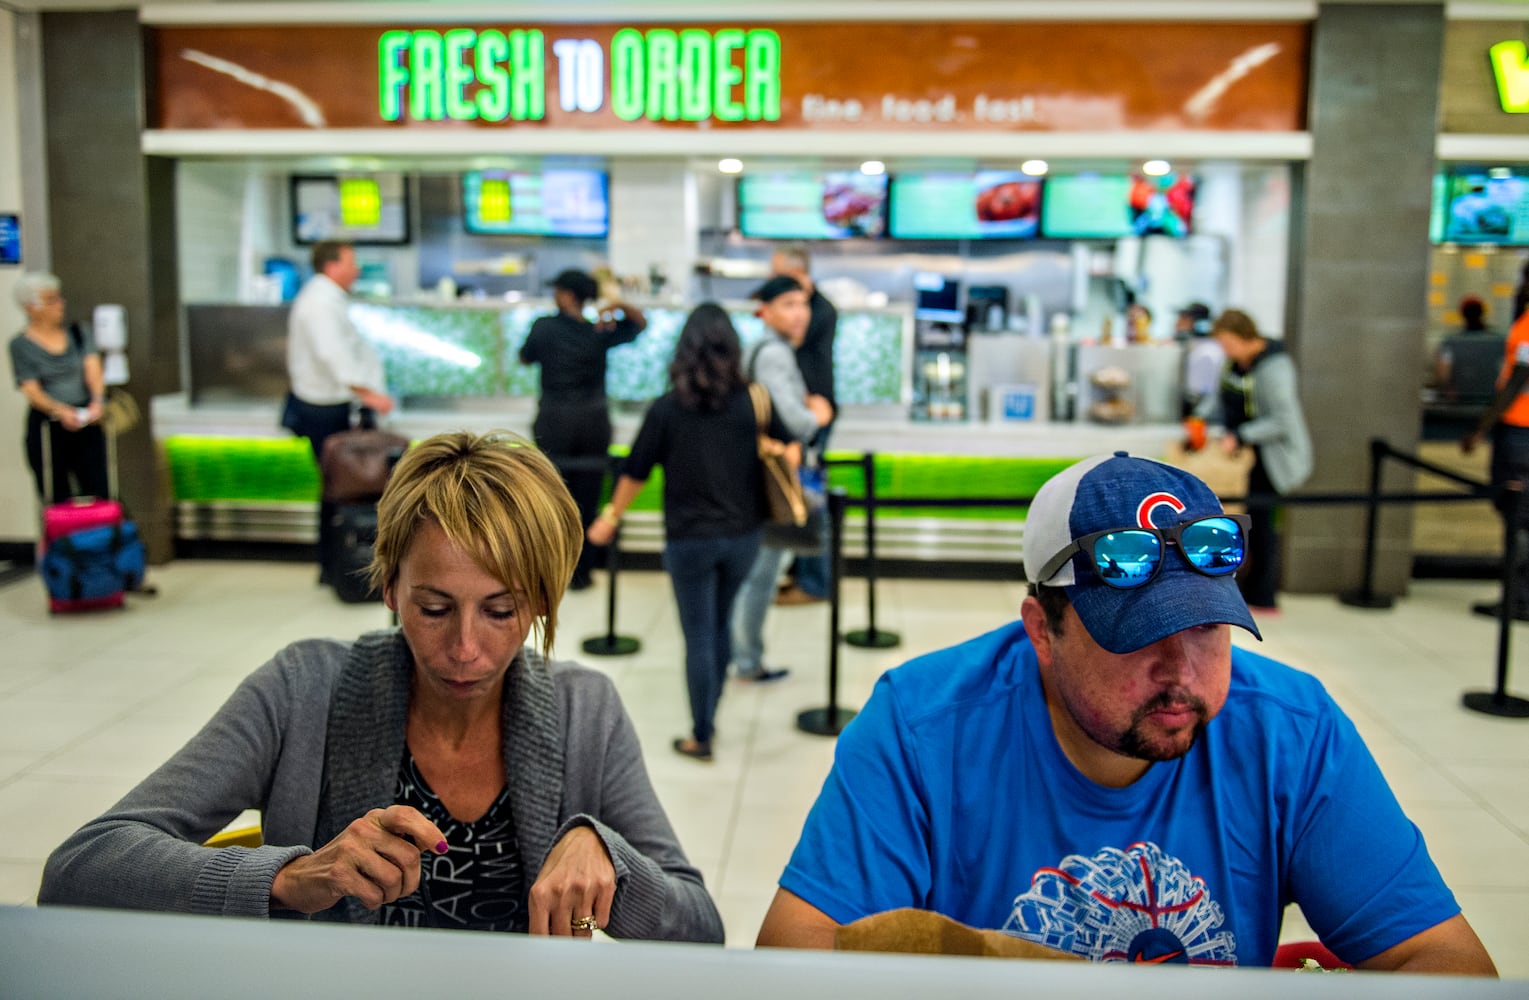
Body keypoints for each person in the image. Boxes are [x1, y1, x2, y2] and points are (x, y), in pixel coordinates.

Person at [756, 452, 1497, 975]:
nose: (1182, 674)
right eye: (1136, 635)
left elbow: (1438, 957)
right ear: (1040, 629)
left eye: (1206, 629)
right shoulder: (922, 727)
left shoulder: (1289, 730)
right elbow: (797, 953)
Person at [40, 431, 723, 943]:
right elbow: (80, 870)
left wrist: (613, 858)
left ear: (543, 602)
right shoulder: (301, 690)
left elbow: (701, 927)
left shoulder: (585, 711)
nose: (464, 648)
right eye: (433, 608)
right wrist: (284, 879)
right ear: (389, 586)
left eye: (501, 609)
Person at [587, 304, 794, 762]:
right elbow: (786, 443)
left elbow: (635, 468)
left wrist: (611, 516)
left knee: (699, 634)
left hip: (688, 540)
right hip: (744, 535)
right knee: (720, 624)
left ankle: (702, 733)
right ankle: (711, 711)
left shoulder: (667, 407)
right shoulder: (753, 398)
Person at [730, 276, 834, 683]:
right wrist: (818, 415)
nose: (800, 313)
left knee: (759, 569)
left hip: (758, 471)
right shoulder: (773, 353)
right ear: (767, 310)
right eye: (789, 304)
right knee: (762, 573)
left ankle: (741, 655)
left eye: (803, 304)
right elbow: (797, 421)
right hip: (774, 476)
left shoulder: (763, 349)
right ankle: (746, 660)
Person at [519, 269, 646, 591]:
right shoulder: (598, 332)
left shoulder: (544, 327)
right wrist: (615, 304)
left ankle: (553, 572)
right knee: (587, 500)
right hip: (593, 423)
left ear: (566, 295)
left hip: (554, 420)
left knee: (551, 497)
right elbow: (640, 324)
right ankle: (583, 572)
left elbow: (525, 357)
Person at [284, 241, 395, 583]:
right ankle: (333, 567)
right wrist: (368, 395)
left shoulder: (327, 300)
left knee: (337, 488)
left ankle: (335, 564)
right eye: (352, 262)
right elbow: (333, 356)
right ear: (332, 267)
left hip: (329, 404)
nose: (357, 268)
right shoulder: (319, 304)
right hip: (321, 408)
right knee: (338, 489)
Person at [1196, 308, 1313, 611]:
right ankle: (1242, 587)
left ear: (1244, 336)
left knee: (1261, 524)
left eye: (1227, 342)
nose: (1224, 349)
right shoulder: (1235, 364)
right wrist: (1198, 417)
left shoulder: (1275, 367)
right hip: (1243, 457)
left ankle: (1263, 595)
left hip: (1272, 458)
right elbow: (1219, 398)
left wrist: (1243, 434)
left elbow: (1283, 419)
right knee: (1243, 523)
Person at [770, 246, 837, 607]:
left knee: (810, 499)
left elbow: (793, 341)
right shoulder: (811, 305)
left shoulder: (817, 310)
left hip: (813, 419)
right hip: (805, 414)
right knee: (796, 496)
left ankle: (814, 583)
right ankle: (800, 574)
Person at [8, 272, 110, 504]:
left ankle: (102, 538)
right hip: (49, 426)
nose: (60, 304)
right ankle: (64, 540)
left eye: (58, 298)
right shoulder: (21, 346)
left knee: (98, 489)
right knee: (56, 495)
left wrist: (97, 401)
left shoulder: (78, 333)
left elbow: (93, 369)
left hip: (87, 420)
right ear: (31, 307)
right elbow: (32, 390)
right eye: (51, 300)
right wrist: (60, 411)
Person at [1462, 295, 1529, 621]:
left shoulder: (1528, 325)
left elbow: (1519, 377)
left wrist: (1481, 428)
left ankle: (1518, 598)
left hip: (1520, 431)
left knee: (1518, 516)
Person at [1434, 296, 1505, 410]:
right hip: (1490, 400)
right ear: (1482, 313)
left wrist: (1447, 390)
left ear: (1462, 314)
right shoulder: (1498, 341)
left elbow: (1443, 374)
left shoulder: (1451, 342)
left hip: (1459, 400)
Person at [1176, 302, 1223, 418]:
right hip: (1191, 405)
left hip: (1204, 410)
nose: (1177, 323)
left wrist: (1198, 416)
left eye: (1185, 319)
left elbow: (1213, 390)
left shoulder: (1209, 350)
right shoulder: (1192, 345)